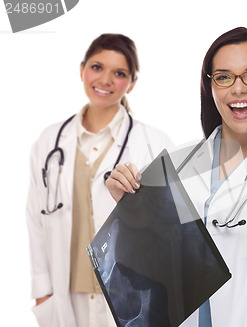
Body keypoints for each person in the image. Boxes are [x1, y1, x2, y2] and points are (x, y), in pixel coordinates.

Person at [106, 27, 247, 327]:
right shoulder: (179, 163)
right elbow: (156, 272)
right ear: (211, 87)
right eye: (223, 77)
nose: (238, 89)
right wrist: (131, 210)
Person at [26, 33, 173, 327]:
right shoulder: (49, 142)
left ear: (131, 83)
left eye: (119, 73)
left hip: (129, 296)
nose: (105, 80)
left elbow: (171, 228)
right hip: (67, 296)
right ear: (82, 70)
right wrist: (42, 292)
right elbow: (35, 220)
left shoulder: (152, 142)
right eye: (97, 67)